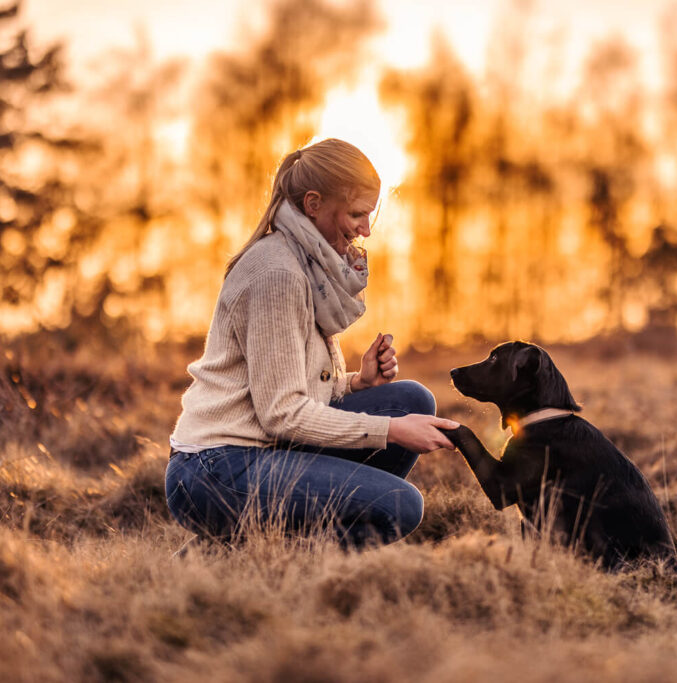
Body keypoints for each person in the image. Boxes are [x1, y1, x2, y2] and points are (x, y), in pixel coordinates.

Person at [165, 138, 458, 548]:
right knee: (400, 504)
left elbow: (286, 387)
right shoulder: (277, 272)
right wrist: (389, 430)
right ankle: (273, 563)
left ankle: (238, 550)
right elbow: (281, 413)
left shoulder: (307, 263)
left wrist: (355, 385)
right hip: (214, 469)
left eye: (370, 215)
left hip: (256, 451)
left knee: (411, 399)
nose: (366, 230)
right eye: (357, 214)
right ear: (314, 203)